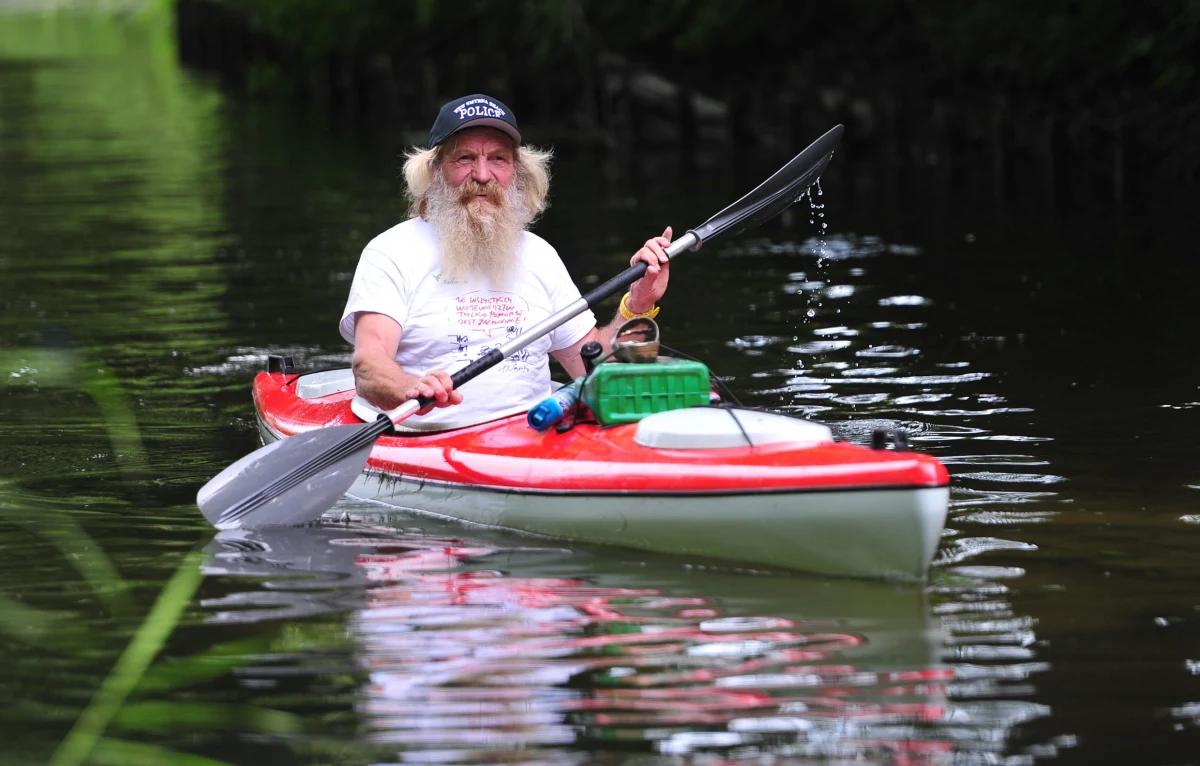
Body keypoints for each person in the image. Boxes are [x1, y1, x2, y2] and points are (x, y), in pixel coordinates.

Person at [339, 93, 671, 429]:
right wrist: (409, 387)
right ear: (435, 170)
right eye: (464, 158)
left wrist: (639, 302)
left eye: (498, 159)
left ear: (517, 171)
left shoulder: (540, 254)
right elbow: (369, 365)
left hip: (532, 433)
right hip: (422, 436)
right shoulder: (391, 251)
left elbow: (596, 371)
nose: (482, 175)